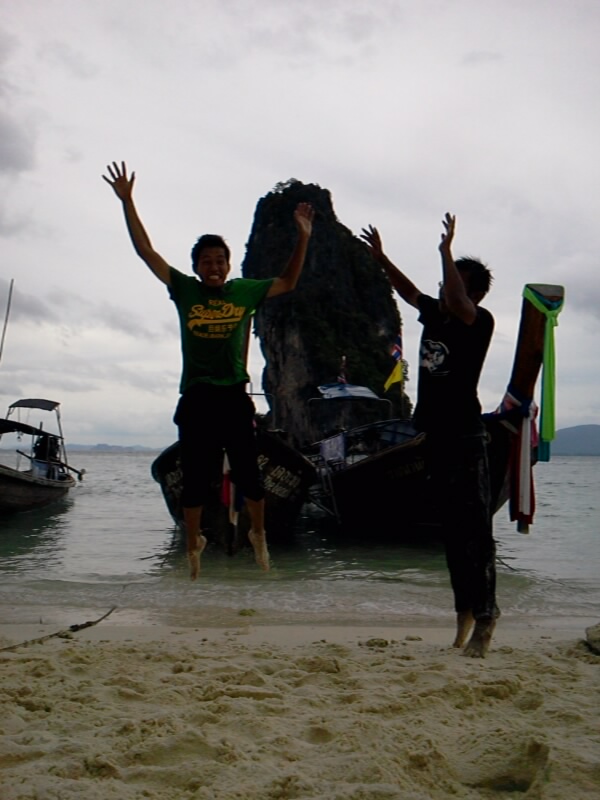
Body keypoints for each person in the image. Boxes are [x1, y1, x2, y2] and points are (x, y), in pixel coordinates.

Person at [103, 161, 314, 579]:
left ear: (228, 264)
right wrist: (127, 202)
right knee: (196, 481)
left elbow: (288, 282)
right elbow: (146, 252)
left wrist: (303, 237)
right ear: (197, 266)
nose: (214, 266)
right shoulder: (185, 290)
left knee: (250, 476)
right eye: (206, 261)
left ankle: (257, 533)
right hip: (197, 395)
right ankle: (193, 544)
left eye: (220, 260)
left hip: (233, 394)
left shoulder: (244, 292)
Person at [361, 213, 498, 657]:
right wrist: (382, 258)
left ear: (474, 294)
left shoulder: (479, 322)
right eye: (444, 284)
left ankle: (487, 617)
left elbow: (457, 300)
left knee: (475, 533)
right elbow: (408, 291)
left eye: (454, 284)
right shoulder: (436, 316)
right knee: (453, 533)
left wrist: (445, 252)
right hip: (435, 437)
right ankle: (464, 613)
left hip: (466, 439)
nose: (443, 291)